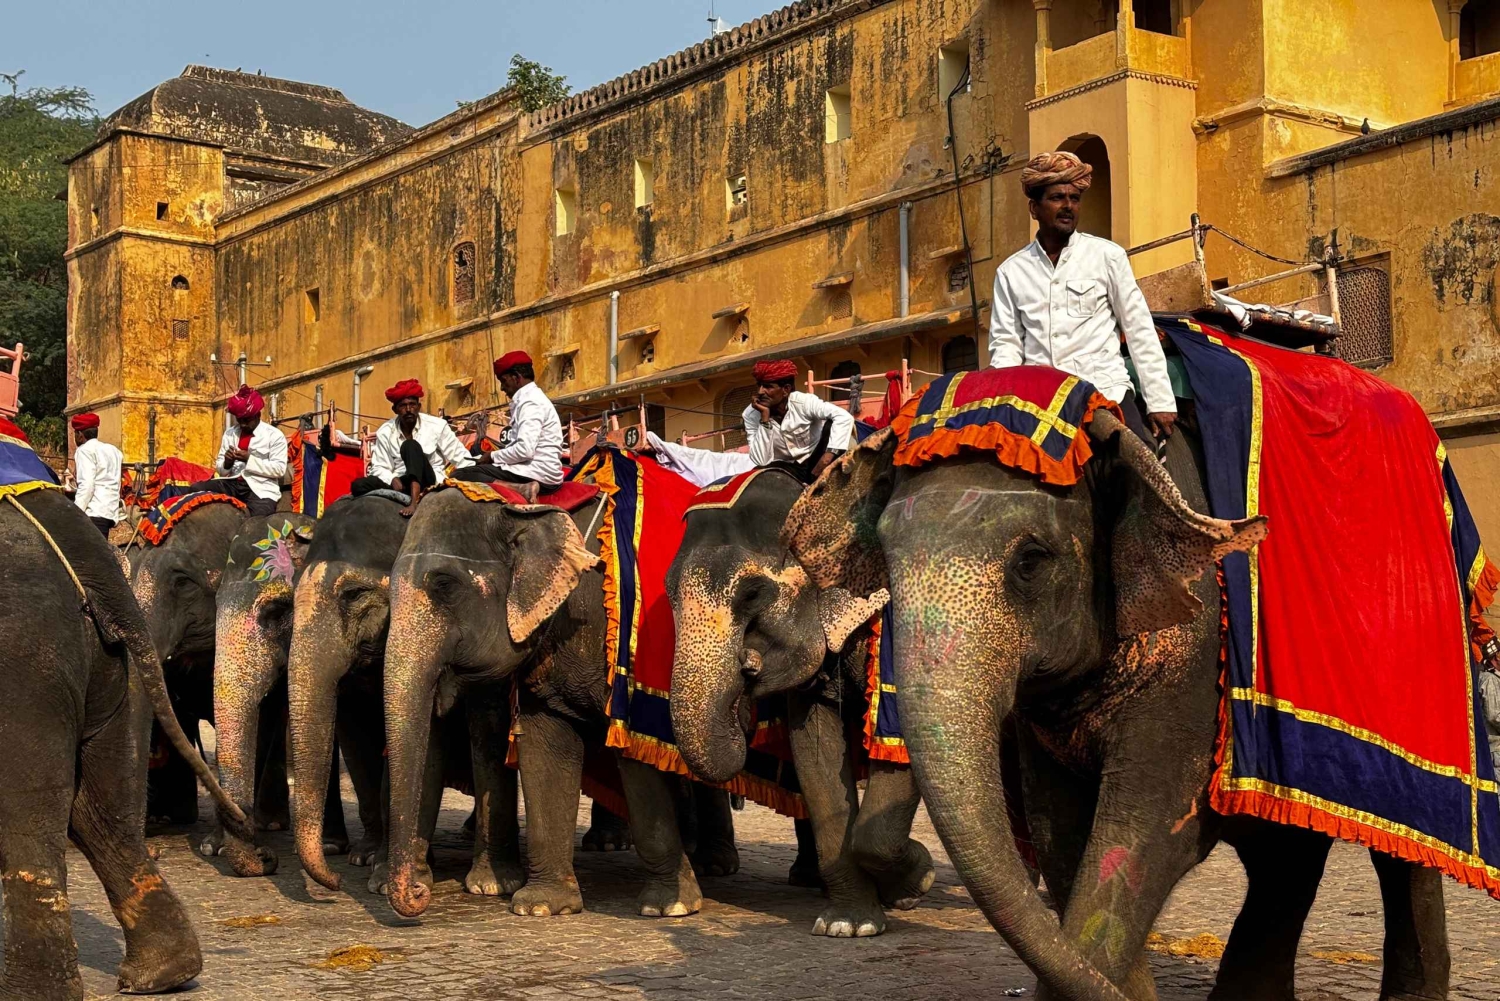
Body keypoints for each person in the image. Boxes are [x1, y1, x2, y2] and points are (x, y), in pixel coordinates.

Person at [989, 150, 1177, 445]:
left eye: (1074, 198)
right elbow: (1006, 346)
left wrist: (1160, 401)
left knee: (1142, 469)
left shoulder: (1107, 256)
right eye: (1056, 198)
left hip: (1105, 394)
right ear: (1034, 208)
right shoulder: (1010, 272)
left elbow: (1139, 329)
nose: (1067, 206)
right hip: (1040, 403)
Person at [350, 379, 472, 517]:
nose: (408, 410)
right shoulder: (385, 431)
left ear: (419, 407)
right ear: (395, 410)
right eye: (403, 406)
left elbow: (461, 457)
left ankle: (414, 502)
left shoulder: (437, 426)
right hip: (402, 483)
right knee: (358, 485)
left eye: (412, 404)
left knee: (410, 445)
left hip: (428, 481)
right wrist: (392, 479)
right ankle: (405, 492)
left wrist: (476, 475)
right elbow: (379, 467)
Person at [451, 351, 564, 501]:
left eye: (504, 381)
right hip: (535, 471)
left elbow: (525, 451)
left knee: (461, 474)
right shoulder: (529, 399)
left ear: (516, 378)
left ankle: (522, 488)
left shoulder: (530, 403)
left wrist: (492, 456)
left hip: (537, 473)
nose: (502, 388)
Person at [741, 359, 854, 476]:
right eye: (759, 385)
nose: (760, 392)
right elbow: (761, 460)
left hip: (818, 456)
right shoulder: (750, 415)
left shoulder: (803, 402)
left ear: (786, 390)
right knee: (759, 473)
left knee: (832, 426)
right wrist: (764, 419)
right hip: (791, 467)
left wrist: (827, 457)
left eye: (767, 387)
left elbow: (844, 417)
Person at [190, 384, 287, 517]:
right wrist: (227, 463)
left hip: (260, 487)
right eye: (239, 420)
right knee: (196, 489)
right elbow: (221, 470)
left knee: (258, 519)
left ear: (257, 415)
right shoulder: (230, 434)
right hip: (233, 482)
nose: (242, 424)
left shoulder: (274, 435)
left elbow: (279, 469)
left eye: (246, 420)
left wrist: (249, 459)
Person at [68, 412, 124, 536]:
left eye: (75, 434)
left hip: (93, 513)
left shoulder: (84, 451)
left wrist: (75, 514)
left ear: (80, 435)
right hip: (110, 513)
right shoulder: (114, 451)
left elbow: (87, 486)